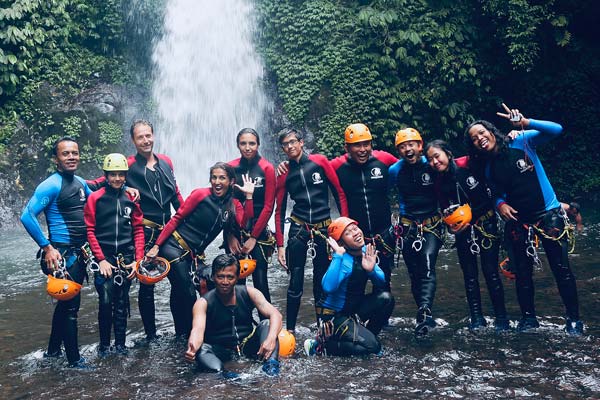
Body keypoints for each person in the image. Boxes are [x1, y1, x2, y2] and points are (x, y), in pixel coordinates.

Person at [466, 103, 582, 334]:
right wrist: (500, 204)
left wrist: (526, 122)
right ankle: (528, 319)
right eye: (474, 138)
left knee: (561, 269)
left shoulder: (521, 141)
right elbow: (495, 193)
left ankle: (574, 320)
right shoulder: (486, 167)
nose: (480, 139)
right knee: (522, 273)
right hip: (520, 222)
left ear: (491, 131)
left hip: (548, 216)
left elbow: (557, 129)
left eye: (482, 132)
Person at [88, 120, 184, 341]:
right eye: (140, 137)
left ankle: (181, 331)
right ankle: (151, 335)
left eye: (148, 135)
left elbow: (175, 194)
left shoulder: (166, 161)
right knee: (146, 284)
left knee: (179, 279)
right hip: (146, 231)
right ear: (133, 140)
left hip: (168, 231)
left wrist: (185, 217)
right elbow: (100, 183)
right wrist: (125, 187)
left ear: (154, 135)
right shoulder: (128, 164)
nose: (145, 140)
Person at [145, 163, 255, 336]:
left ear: (231, 181)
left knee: (193, 288)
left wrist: (249, 197)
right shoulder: (200, 194)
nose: (217, 182)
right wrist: (157, 246)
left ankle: (183, 333)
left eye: (222, 178)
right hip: (173, 247)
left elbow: (244, 224)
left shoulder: (233, 204)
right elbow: (177, 219)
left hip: (193, 255)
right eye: (214, 177)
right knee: (188, 293)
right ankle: (193, 335)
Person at [20, 137, 92, 368]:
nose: (71, 157)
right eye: (65, 153)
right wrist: (47, 247)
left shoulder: (80, 182)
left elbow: (99, 199)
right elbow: (27, 216)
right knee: (71, 308)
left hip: (78, 254)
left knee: (63, 305)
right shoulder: (51, 185)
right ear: (56, 159)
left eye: (74, 153)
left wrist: (127, 189)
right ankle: (75, 361)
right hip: (61, 256)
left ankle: (53, 351)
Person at [425, 140, 508, 331]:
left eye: (437, 156)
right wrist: (450, 227)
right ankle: (476, 318)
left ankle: (501, 318)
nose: (435, 162)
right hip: (462, 230)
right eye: (430, 159)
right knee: (469, 275)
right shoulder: (438, 181)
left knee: (491, 272)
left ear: (448, 153)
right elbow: (444, 208)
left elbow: (491, 185)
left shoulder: (469, 164)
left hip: (486, 224)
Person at [274, 128, 349, 333]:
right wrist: (280, 245)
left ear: (301, 142)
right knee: (295, 281)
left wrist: (344, 227)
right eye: (285, 144)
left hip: (324, 228)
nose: (290, 146)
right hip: (299, 228)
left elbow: (339, 193)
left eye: (293, 142)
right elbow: (279, 210)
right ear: (282, 148)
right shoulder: (283, 173)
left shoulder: (320, 162)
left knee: (321, 279)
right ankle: (290, 330)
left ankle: (321, 326)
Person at [304, 217, 394, 356]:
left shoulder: (364, 251)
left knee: (386, 299)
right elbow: (328, 287)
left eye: (355, 228)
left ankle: (367, 337)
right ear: (341, 243)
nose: (355, 233)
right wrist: (338, 255)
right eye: (348, 233)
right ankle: (320, 346)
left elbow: (381, 282)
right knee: (371, 349)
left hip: (353, 311)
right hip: (334, 317)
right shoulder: (342, 260)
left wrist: (371, 271)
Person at [84, 154, 145, 355]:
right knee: (105, 301)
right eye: (113, 174)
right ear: (106, 175)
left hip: (125, 259)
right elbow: (90, 230)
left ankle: (120, 345)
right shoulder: (96, 198)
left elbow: (138, 229)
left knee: (122, 302)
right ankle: (104, 346)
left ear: (126, 175)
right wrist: (100, 259)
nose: (117, 178)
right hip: (105, 258)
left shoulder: (131, 199)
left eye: (121, 174)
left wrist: (137, 260)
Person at [185, 254, 282, 377]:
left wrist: (270, 339)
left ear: (237, 278)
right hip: (221, 351)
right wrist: (192, 347)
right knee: (202, 349)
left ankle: (271, 366)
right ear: (213, 277)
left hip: (247, 346)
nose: (225, 282)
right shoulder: (202, 303)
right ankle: (224, 374)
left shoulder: (250, 292)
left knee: (267, 324)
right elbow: (197, 330)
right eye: (220, 277)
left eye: (230, 277)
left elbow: (276, 315)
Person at [329, 123, 399, 293]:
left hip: (383, 234)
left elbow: (409, 166)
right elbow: (313, 167)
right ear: (347, 147)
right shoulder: (337, 166)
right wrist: (288, 164)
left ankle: (382, 309)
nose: (362, 149)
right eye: (357, 145)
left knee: (383, 283)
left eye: (366, 144)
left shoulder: (384, 159)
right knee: (354, 283)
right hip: (355, 237)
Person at [388, 128, 443, 336]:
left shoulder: (432, 164)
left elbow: (452, 171)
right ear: (398, 151)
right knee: (414, 273)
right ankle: (423, 314)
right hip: (408, 225)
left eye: (411, 144)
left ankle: (425, 311)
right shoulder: (395, 171)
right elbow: (383, 191)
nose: (407, 149)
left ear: (420, 146)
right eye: (403, 147)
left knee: (427, 264)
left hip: (431, 224)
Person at [227, 128, 276, 308]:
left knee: (260, 280)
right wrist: (230, 236)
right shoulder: (230, 168)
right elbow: (226, 203)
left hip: (259, 231)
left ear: (258, 144)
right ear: (237, 145)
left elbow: (269, 206)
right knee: (234, 280)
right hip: (234, 230)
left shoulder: (267, 168)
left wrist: (254, 237)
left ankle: (267, 321)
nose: (247, 148)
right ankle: (240, 320)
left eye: (252, 143)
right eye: (243, 143)